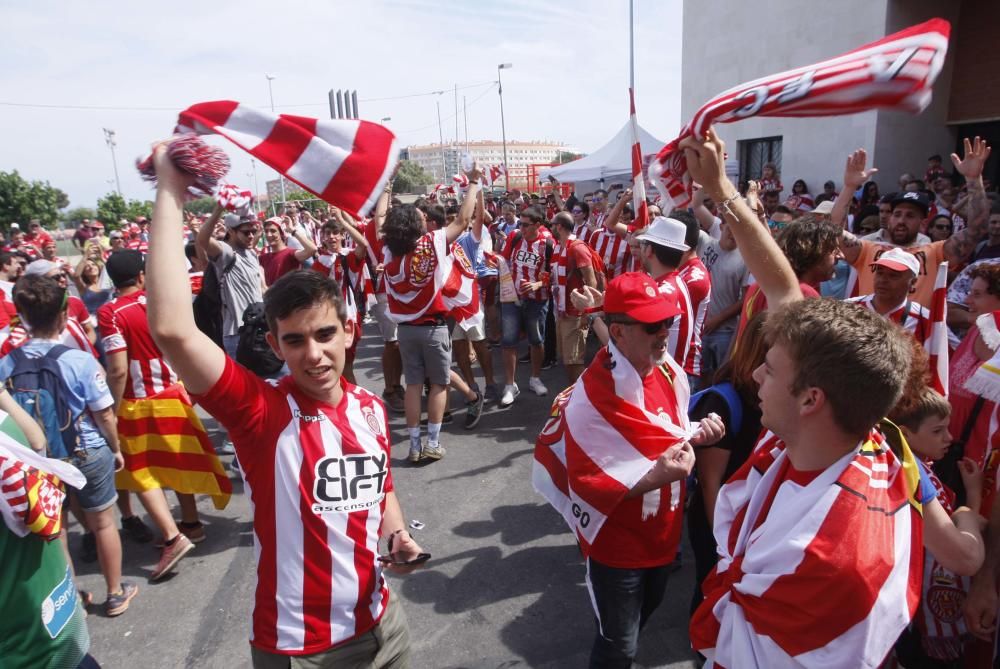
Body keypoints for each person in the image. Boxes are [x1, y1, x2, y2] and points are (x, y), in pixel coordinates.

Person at [145, 142, 425, 668]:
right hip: (301, 649)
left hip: (386, 626)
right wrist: (169, 191)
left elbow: (379, 485)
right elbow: (172, 330)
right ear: (274, 347)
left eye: (324, 335)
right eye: (295, 341)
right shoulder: (262, 411)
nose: (314, 355)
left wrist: (398, 535)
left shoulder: (368, 407)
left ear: (349, 332)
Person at [681, 126, 924, 667]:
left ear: (812, 398)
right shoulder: (852, 435)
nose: (755, 378)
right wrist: (722, 190)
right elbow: (784, 289)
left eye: (769, 369)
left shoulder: (824, 559)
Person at [534, 271, 723, 669]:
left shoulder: (668, 371)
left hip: (664, 539)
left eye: (669, 322)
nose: (665, 333)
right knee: (619, 646)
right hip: (619, 549)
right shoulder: (591, 399)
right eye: (654, 325)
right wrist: (659, 475)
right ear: (618, 333)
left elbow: (665, 433)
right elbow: (586, 482)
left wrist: (697, 435)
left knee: (637, 624)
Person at [0, 274, 138, 617]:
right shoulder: (79, 360)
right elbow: (104, 414)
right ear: (64, 316)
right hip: (87, 449)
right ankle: (115, 592)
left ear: (23, 316)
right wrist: (116, 447)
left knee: (57, 529)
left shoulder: (8, 362)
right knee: (103, 522)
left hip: (41, 459)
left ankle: (71, 597)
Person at [99, 250, 237, 579]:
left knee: (140, 472)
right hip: (173, 395)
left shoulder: (111, 313)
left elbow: (118, 370)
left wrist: (112, 410)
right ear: (142, 276)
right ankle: (191, 523)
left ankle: (171, 537)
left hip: (137, 402)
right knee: (180, 461)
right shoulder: (159, 303)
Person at [383, 166, 485, 461]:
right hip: (432, 328)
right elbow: (464, 219)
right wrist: (474, 182)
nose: (422, 216)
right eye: (418, 216)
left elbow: (380, 219)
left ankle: (414, 446)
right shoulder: (430, 244)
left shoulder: (389, 253)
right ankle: (432, 442)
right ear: (414, 226)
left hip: (406, 331)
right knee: (439, 384)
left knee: (413, 385)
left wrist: (388, 186)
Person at [836, 141, 991, 306]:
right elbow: (833, 231)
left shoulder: (936, 253)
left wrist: (974, 179)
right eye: (897, 214)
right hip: (870, 330)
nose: (901, 220)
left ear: (922, 222)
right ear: (889, 218)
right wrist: (849, 187)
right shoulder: (867, 249)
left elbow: (977, 229)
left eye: (910, 215)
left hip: (914, 330)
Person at [498, 204, 554, 406]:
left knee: (536, 340)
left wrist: (538, 284)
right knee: (509, 341)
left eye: (525, 224)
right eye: (520, 223)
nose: (520, 227)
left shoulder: (547, 243)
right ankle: (510, 384)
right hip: (512, 298)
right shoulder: (515, 237)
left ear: (537, 225)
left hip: (538, 299)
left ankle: (535, 378)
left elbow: (553, 273)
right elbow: (503, 260)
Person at [196, 209, 265, 360]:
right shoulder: (226, 252)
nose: (252, 236)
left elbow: (261, 289)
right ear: (231, 232)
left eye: (254, 231)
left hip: (259, 330)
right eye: (246, 232)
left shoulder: (252, 253)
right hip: (237, 335)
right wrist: (218, 210)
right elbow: (203, 239)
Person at [549, 211, 597, 385]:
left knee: (574, 360)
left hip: (575, 313)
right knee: (568, 359)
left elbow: (591, 280)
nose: (550, 227)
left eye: (553, 224)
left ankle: (580, 396)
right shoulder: (559, 246)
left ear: (559, 227)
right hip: (562, 311)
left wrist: (587, 313)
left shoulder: (577, 247)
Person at [698, 216, 748, 381]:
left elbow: (746, 298)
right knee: (700, 376)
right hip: (699, 329)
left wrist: (718, 319)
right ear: (721, 227)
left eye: (738, 232)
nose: (733, 235)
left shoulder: (745, 260)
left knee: (722, 377)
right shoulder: (705, 243)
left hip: (725, 332)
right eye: (730, 229)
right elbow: (693, 210)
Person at [259, 215, 317, 286]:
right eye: (266, 231)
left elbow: (312, 249)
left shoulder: (290, 254)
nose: (269, 235)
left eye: (273, 231)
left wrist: (292, 231)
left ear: (281, 233)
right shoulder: (264, 257)